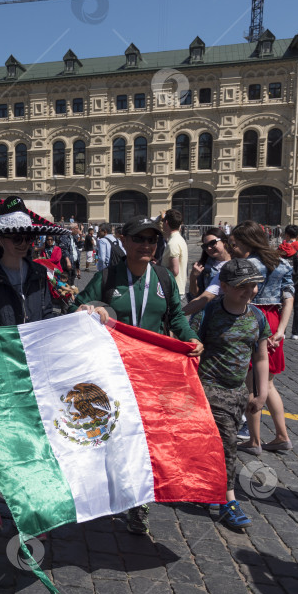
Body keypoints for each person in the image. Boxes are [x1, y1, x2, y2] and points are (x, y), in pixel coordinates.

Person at [71, 216, 203, 536]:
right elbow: (78, 308)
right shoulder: (107, 277)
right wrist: (88, 310)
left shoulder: (163, 278)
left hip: (151, 373)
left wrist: (190, 339)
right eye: (140, 239)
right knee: (114, 435)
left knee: (145, 439)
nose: (147, 245)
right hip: (113, 371)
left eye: (152, 240)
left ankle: (139, 506)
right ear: (125, 242)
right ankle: (109, 490)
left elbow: (176, 316)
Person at [0, 198, 58, 529]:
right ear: (1, 239)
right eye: (17, 236)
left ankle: (32, 503)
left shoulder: (38, 273)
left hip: (34, 366)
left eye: (28, 237)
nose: (23, 243)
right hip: (0, 368)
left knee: (36, 436)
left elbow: (47, 312)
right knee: (1, 436)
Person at [189, 259, 270, 531]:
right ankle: (228, 502)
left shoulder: (257, 317)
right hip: (209, 388)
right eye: (241, 286)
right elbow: (190, 348)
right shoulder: (208, 313)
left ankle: (206, 487)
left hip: (238, 393)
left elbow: (260, 357)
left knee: (217, 444)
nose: (249, 291)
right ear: (223, 286)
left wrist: (261, 393)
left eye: (253, 285)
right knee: (228, 445)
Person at [229, 221, 295, 455]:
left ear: (247, 240)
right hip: (275, 318)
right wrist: (281, 330)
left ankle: (254, 440)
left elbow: (242, 297)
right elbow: (289, 297)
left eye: (237, 241)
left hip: (254, 317)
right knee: (268, 383)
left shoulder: (246, 264)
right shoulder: (283, 262)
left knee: (251, 383)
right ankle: (281, 435)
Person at [183, 227, 231, 315]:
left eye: (213, 243)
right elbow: (195, 295)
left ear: (224, 242)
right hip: (209, 314)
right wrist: (193, 277)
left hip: (231, 313)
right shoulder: (203, 266)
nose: (209, 248)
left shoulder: (238, 263)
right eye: (205, 246)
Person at [278, 224, 298, 340]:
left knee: (283, 305)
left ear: (286, 234)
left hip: (286, 279)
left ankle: (283, 331)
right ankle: (295, 333)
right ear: (297, 234)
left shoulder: (281, 247)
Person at [161, 209, 188, 296]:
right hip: (178, 288)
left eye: (163, 221)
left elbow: (174, 270)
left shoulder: (173, 243)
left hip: (173, 290)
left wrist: (158, 268)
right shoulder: (179, 239)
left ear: (166, 223)